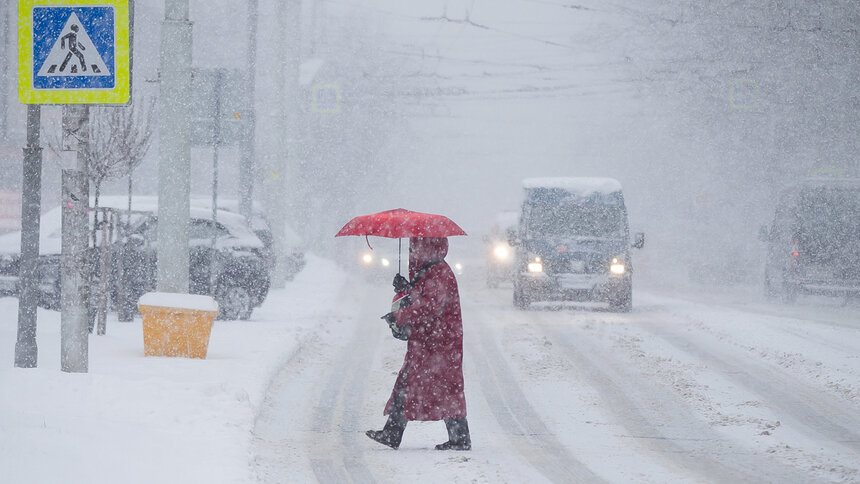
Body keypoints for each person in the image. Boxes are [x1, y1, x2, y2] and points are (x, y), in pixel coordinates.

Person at [366, 237, 471, 451]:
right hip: (431, 341)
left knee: (440, 387)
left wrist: (401, 316)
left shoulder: (439, 272)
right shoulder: (430, 270)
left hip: (439, 343)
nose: (413, 251)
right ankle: (395, 432)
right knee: (421, 384)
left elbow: (430, 306)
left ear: (429, 247)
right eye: (412, 246)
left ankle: (457, 438)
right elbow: (424, 299)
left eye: (417, 246)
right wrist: (406, 288)